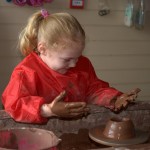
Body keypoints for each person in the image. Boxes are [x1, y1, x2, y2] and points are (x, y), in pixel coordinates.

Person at [2, 9, 140, 124]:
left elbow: (93, 90)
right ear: (43, 49)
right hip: (39, 133)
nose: (74, 64)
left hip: (77, 126)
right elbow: (14, 103)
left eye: (77, 57)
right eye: (67, 59)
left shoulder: (82, 64)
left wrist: (114, 99)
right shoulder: (26, 72)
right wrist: (49, 110)